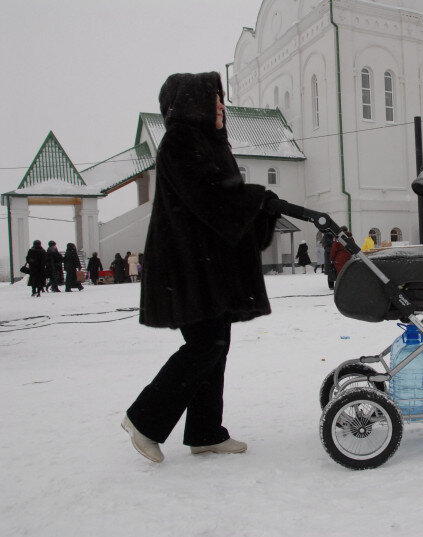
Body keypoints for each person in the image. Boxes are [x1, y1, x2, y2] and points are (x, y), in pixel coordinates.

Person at [122, 71, 279, 464]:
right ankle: (144, 419)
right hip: (186, 269)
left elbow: (226, 211)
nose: (222, 106)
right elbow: (209, 196)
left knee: (216, 347)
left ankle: (206, 431)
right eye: (215, 99)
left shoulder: (211, 144)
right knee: (205, 346)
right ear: (194, 103)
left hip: (209, 270)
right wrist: (258, 198)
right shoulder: (180, 141)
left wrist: (261, 210)